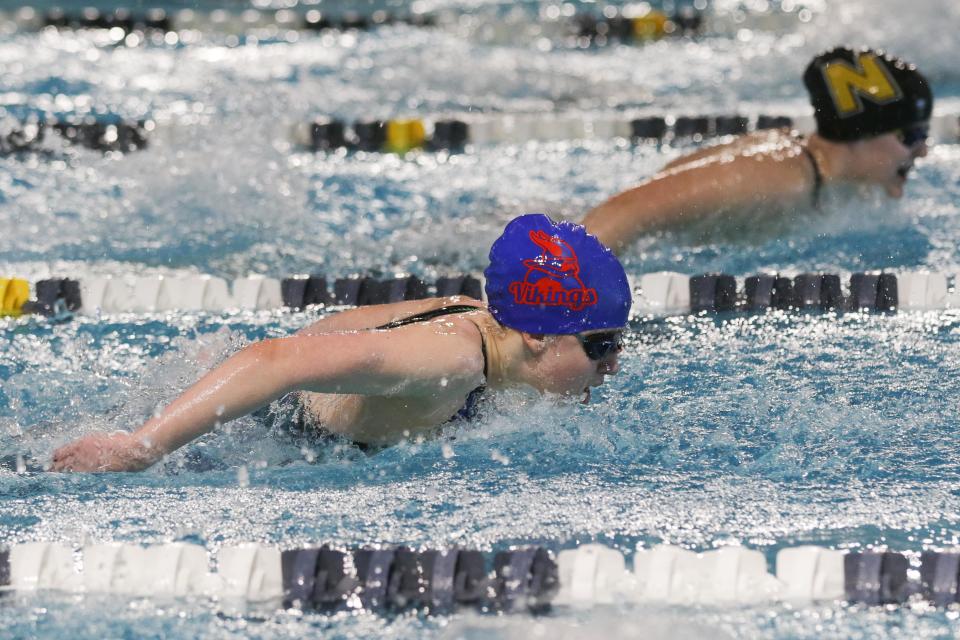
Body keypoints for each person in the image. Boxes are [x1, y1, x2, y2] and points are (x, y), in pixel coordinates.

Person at [50, 214, 631, 472]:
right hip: (249, 428)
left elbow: (340, 327)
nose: (613, 363)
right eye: (601, 344)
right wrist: (142, 448)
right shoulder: (449, 360)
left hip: (234, 390)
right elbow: (273, 359)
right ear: (535, 334)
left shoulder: (479, 320)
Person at [582, 46, 934, 252]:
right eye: (912, 136)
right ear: (861, 133)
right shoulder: (776, 179)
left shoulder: (809, 167)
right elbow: (629, 210)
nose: (922, 152)